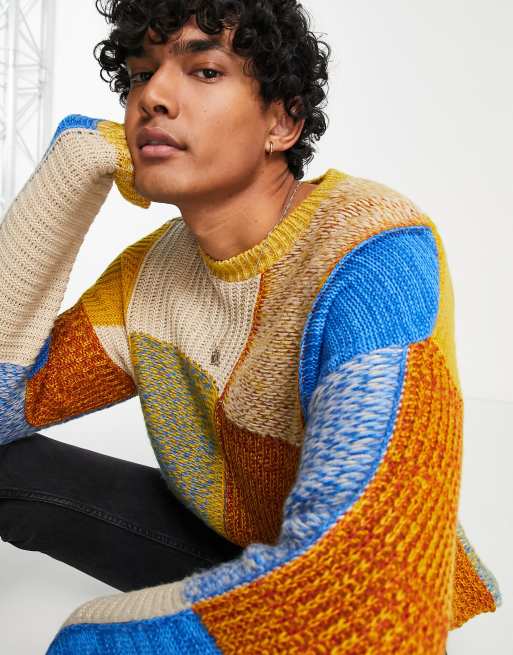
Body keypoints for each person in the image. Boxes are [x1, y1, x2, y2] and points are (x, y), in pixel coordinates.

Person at [0, 1, 501, 653]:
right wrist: (73, 162)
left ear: (282, 122)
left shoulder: (372, 253)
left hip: (363, 589)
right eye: (141, 74)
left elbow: (364, 604)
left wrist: (86, 636)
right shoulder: (148, 275)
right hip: (230, 544)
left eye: (204, 71)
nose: (152, 96)